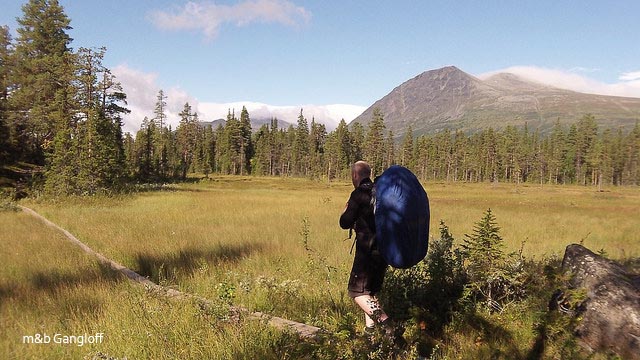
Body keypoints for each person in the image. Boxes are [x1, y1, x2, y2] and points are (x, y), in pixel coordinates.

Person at [339, 161, 395, 337]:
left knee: (356, 292)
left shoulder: (359, 194)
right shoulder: (381, 192)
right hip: (384, 251)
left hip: (367, 252)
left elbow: (344, 222)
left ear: (355, 175)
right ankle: (370, 333)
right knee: (369, 292)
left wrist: (346, 210)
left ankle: (388, 326)